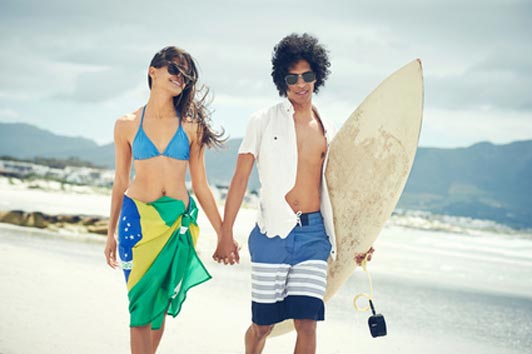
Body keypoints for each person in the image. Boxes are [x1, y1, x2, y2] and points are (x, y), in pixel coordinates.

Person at [213, 33, 373, 354]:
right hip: (272, 232)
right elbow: (240, 178)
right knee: (263, 326)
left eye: (308, 76)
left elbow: (343, 191)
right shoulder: (261, 120)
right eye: (293, 77)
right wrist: (225, 233)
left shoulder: (329, 127)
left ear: (318, 76)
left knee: (307, 321)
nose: (301, 84)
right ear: (281, 80)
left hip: (314, 236)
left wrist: (362, 239)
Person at [104, 46, 237, 354]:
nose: (181, 77)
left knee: (159, 307)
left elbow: (201, 186)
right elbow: (120, 182)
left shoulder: (191, 125)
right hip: (136, 221)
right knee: (140, 307)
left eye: (186, 74)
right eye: (175, 69)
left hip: (176, 224)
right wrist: (109, 233)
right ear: (153, 71)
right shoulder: (126, 124)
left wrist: (224, 234)